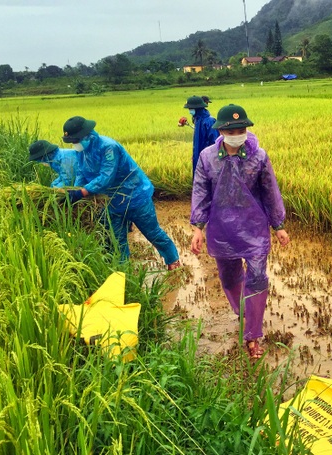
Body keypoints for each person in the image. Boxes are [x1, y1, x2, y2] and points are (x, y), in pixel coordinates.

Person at [190, 104, 289, 359]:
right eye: (232, 129)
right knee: (229, 277)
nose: (238, 132)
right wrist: (197, 228)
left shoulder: (259, 156)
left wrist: (278, 226)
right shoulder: (207, 157)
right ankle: (244, 313)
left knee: (257, 279)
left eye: (242, 128)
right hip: (222, 230)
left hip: (254, 229)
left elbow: (270, 191)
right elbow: (201, 193)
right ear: (221, 130)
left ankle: (253, 335)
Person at [61, 116, 181, 271]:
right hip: (111, 201)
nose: (74, 144)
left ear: (87, 135)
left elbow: (106, 176)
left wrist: (83, 192)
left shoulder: (108, 147)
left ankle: (173, 261)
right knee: (116, 239)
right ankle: (123, 270)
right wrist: (75, 190)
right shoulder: (81, 151)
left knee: (152, 232)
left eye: (76, 140)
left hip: (135, 196)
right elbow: (81, 172)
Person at [184, 95, 219, 178]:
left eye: (190, 109)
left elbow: (215, 142)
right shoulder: (197, 120)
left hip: (208, 158)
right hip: (199, 155)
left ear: (197, 109)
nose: (189, 111)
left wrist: (211, 159)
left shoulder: (209, 121)